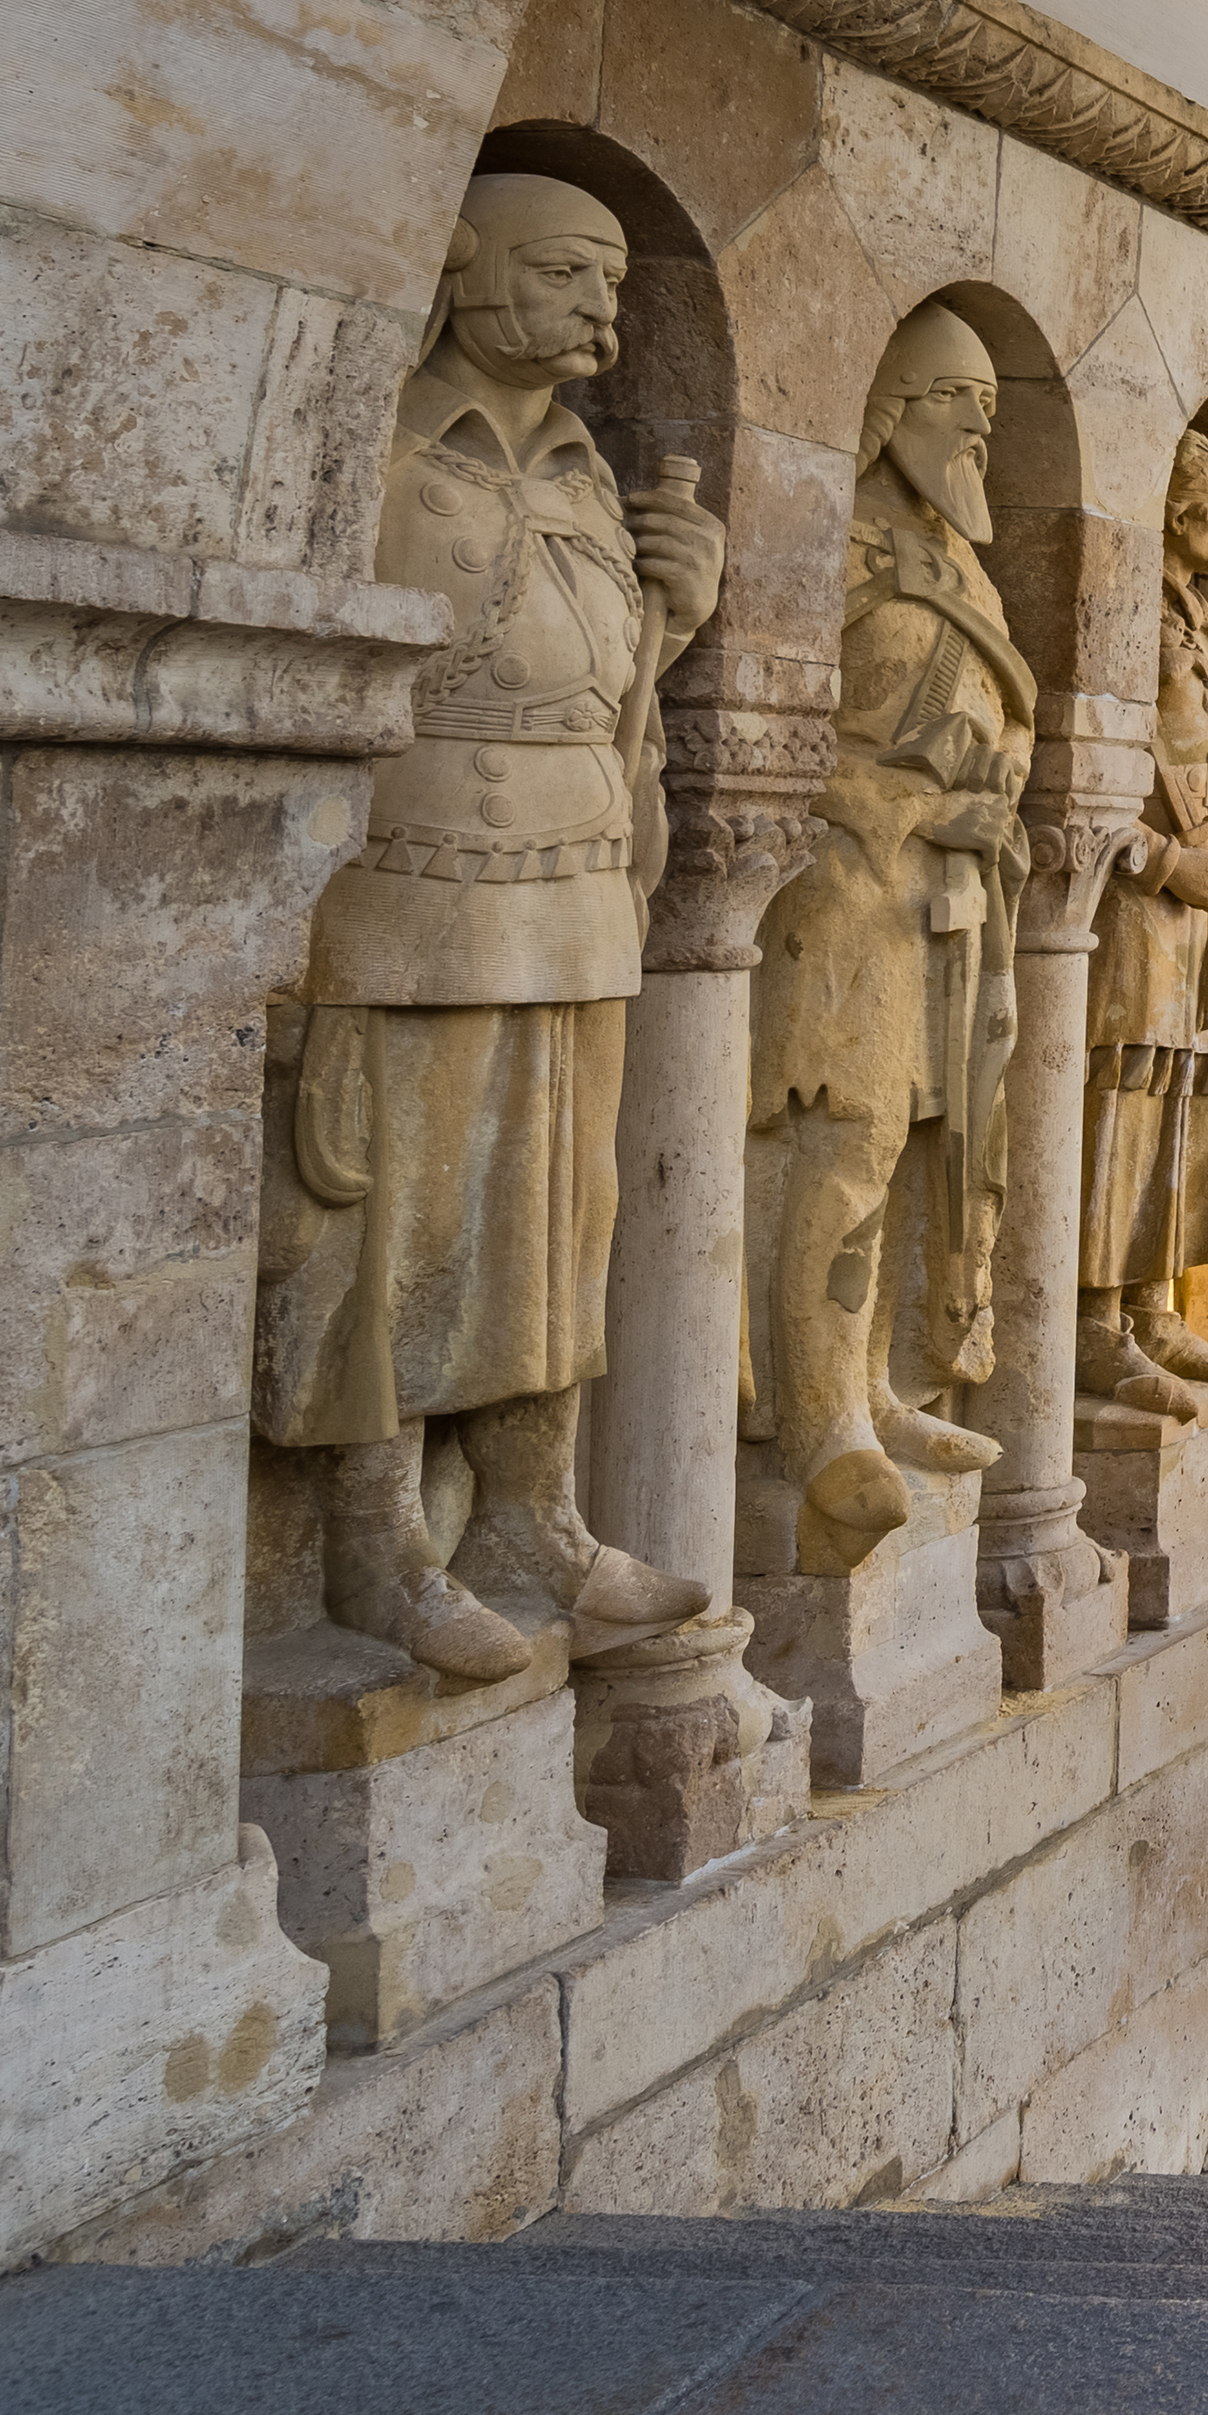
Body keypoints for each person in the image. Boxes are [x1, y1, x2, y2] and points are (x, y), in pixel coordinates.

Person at [263, 171, 723, 1680]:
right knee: (397, 1215)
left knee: (554, 1223)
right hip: (420, 888)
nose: (605, 305)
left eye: (612, 279)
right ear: (466, 271)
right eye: (569, 272)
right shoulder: (382, 439)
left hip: (578, 890)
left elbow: (602, 682)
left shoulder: (592, 474)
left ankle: (532, 1517)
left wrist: (680, 615)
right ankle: (382, 1547)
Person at [744, 305, 1030, 1570]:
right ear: (890, 405)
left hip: (948, 899)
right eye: (955, 397)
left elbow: (1004, 713)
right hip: (845, 892)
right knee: (844, 1147)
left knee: (917, 1144)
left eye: (987, 403)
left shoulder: (961, 562)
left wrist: (995, 792)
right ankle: (816, 1421)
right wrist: (925, 806)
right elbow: (789, 742)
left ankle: (874, 1385)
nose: (979, 422)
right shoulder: (839, 545)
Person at [1079, 433, 1208, 1436]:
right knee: (1124, 1094)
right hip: (1134, 903)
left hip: (1194, 910)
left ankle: (1154, 1304)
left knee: (1191, 1092)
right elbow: (1079, 777)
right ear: (1171, 507)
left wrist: (1206, 884)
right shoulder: (1129, 616)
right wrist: (1161, 862)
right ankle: (1095, 1321)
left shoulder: (1199, 627)